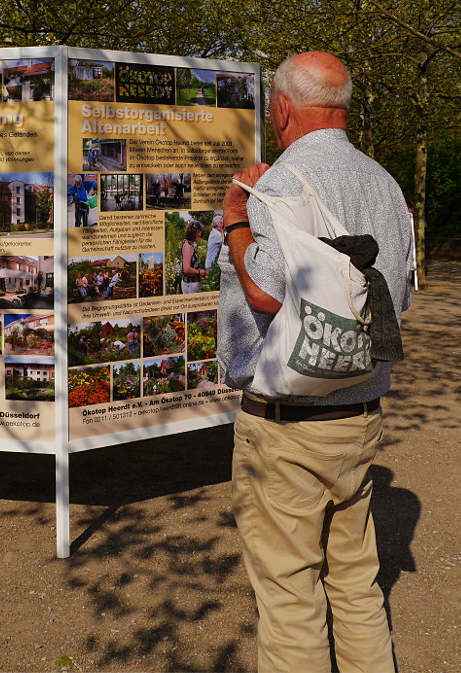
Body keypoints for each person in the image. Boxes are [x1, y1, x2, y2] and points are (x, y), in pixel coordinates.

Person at [218, 51, 412, 673]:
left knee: (290, 596)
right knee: (357, 585)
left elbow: (265, 291)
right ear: (343, 107)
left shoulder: (276, 183)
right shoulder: (385, 183)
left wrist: (233, 223)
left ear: (281, 108)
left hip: (287, 423)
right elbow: (397, 294)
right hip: (359, 413)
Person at [181, 220, 207, 293]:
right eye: (198, 232)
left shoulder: (190, 245)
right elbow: (186, 269)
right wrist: (199, 272)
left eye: (200, 232)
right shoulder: (187, 246)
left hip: (192, 284)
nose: (200, 234)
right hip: (190, 285)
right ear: (192, 233)